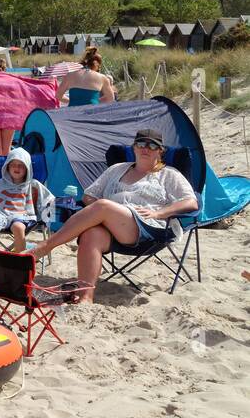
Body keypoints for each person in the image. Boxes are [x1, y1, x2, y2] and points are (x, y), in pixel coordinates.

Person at [29, 129, 198, 302]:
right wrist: (100, 213)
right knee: (90, 234)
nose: (145, 148)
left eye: (152, 145)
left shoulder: (169, 174)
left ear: (160, 151)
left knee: (103, 206)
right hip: (110, 226)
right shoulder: (116, 169)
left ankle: (43, 248)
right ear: (134, 148)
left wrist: (160, 212)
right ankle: (85, 295)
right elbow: (89, 195)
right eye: (141, 144)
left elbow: (191, 202)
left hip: (148, 227)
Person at [0, 148, 53, 253]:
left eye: (21, 165)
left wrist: (48, 215)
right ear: (7, 167)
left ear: (27, 168)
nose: (16, 168)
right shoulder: (0, 184)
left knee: (18, 227)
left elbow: (49, 199)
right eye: (13, 164)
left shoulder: (33, 184)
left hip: (24, 216)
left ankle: (20, 259)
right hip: (3, 215)